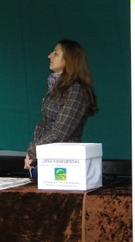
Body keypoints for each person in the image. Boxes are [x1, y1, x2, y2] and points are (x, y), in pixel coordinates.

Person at [24, 39, 98, 172]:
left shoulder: (77, 90)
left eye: (56, 53)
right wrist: (34, 151)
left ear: (68, 59)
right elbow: (44, 123)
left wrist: (32, 150)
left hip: (65, 162)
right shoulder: (56, 87)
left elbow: (60, 132)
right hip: (47, 158)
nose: (49, 56)